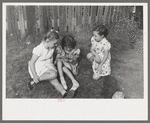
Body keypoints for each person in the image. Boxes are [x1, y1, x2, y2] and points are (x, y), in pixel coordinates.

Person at [28, 30, 67, 98]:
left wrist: (53, 62)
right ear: (48, 40)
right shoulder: (39, 49)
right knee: (54, 74)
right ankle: (35, 80)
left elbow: (51, 56)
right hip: (38, 66)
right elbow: (31, 63)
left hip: (47, 64)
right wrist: (35, 76)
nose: (56, 45)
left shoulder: (51, 47)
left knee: (54, 79)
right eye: (55, 43)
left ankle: (63, 92)